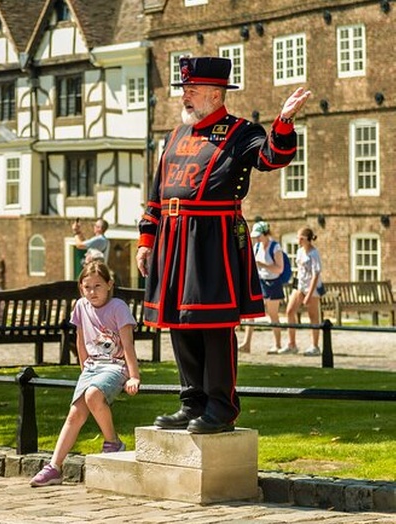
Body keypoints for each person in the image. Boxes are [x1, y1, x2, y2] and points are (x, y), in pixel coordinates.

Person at [136, 56, 311, 434]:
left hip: (213, 239)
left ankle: (221, 406)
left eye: (193, 90)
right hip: (173, 238)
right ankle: (191, 401)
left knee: (213, 324)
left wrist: (284, 122)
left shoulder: (241, 132)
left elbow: (272, 157)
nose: (186, 96)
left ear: (216, 94)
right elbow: (156, 194)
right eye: (184, 90)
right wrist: (146, 241)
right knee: (179, 324)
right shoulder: (174, 136)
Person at [30, 260, 140, 487]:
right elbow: (80, 340)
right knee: (74, 414)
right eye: (87, 287)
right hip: (92, 367)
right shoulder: (81, 306)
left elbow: (128, 345)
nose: (92, 292)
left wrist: (134, 376)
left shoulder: (118, 307)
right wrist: (84, 368)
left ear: (109, 285)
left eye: (98, 286)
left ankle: (113, 442)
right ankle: (54, 467)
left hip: (115, 365)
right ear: (81, 288)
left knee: (92, 395)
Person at [238, 221, 285, 354]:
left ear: (265, 234)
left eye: (259, 236)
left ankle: (277, 344)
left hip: (273, 283)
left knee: (273, 315)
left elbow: (279, 269)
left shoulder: (275, 247)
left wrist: (262, 265)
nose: (257, 239)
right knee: (250, 313)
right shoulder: (257, 247)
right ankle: (247, 343)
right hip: (260, 282)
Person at [284, 227, 324, 356]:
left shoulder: (314, 254)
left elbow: (315, 274)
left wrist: (309, 294)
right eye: (298, 238)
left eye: (301, 238)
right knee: (289, 311)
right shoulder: (300, 251)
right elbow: (299, 271)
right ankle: (292, 344)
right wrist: (296, 287)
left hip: (312, 288)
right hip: (300, 285)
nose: (299, 241)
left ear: (308, 239)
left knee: (313, 316)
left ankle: (315, 346)